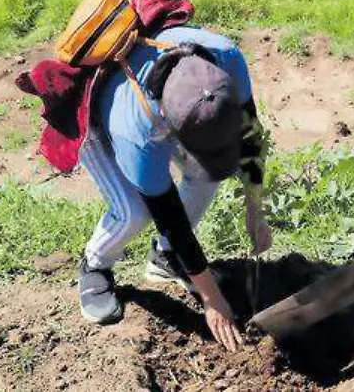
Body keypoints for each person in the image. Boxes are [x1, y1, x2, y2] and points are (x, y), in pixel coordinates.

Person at [77, 25, 271, 352]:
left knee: (207, 173)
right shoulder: (136, 133)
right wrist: (212, 299)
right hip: (96, 117)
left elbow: (251, 136)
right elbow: (170, 218)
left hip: (170, 108)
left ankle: (167, 259)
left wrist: (256, 209)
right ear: (169, 123)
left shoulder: (227, 60)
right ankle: (94, 265)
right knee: (134, 213)